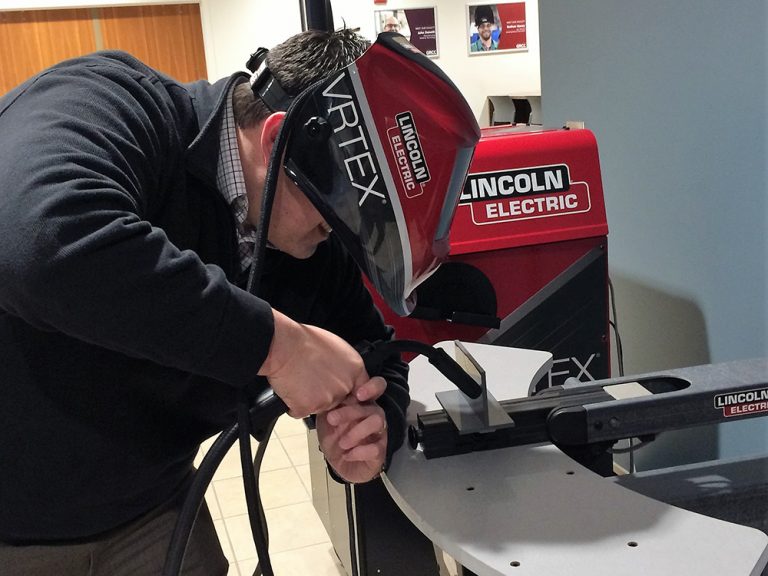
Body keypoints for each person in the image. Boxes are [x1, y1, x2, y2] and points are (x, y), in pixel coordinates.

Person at [0, 28, 410, 575]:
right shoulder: (112, 101)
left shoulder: (305, 241)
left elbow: (375, 352)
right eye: (348, 206)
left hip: (154, 510)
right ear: (279, 141)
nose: (345, 231)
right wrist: (278, 346)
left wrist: (372, 425)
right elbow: (38, 245)